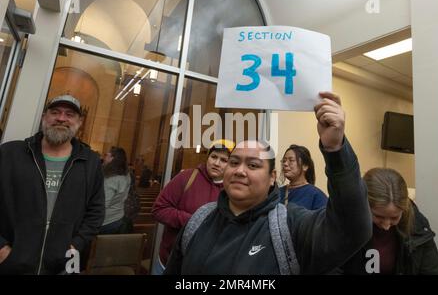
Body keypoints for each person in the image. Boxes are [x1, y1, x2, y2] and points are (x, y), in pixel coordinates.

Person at [164, 92, 372, 275]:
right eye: (234, 162)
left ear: (272, 177)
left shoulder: (289, 226)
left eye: (253, 165)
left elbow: (352, 228)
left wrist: (336, 150)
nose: (240, 170)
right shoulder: (200, 219)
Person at [0, 94, 105, 274]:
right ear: (44, 117)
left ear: (79, 122)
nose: (61, 118)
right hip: (10, 264)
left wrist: (76, 245)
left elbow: (96, 211)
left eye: (69, 114)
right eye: (55, 112)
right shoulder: (10, 153)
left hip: (61, 266)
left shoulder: (91, 162)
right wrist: (1, 247)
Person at [152, 139, 235, 274]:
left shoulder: (232, 190)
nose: (216, 163)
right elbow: (159, 209)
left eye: (224, 160)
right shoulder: (186, 177)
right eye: (213, 157)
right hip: (168, 263)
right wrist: (193, 221)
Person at [341, 168, 438, 275]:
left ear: (404, 210)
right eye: (378, 216)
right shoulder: (343, 224)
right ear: (363, 206)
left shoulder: (417, 225)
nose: (386, 226)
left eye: (394, 218)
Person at [279, 145, 328, 209]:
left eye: (291, 160)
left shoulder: (317, 196)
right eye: (284, 160)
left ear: (305, 166)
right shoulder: (277, 193)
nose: (285, 164)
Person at [99, 146, 131, 234]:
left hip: (106, 222)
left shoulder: (111, 179)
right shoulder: (126, 175)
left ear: (112, 158)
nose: (103, 158)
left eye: (106, 155)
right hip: (118, 217)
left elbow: (102, 205)